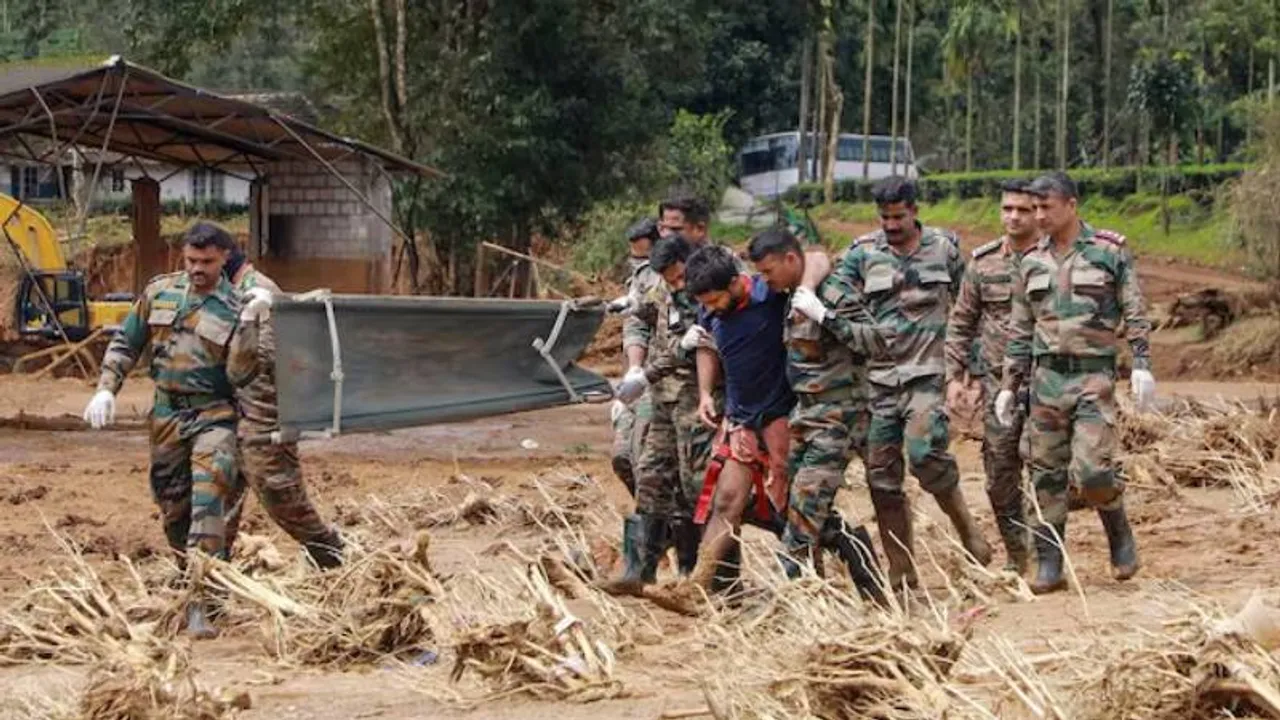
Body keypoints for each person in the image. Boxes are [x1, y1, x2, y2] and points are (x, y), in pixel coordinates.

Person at [81, 222, 252, 638]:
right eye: (191, 260)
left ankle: (201, 602)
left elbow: (255, 374)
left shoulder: (238, 308)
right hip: (166, 417)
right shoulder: (160, 292)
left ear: (225, 258)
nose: (197, 269)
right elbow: (126, 342)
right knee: (173, 508)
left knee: (208, 500)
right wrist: (106, 389)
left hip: (215, 416)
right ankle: (194, 574)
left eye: (206, 261)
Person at [995, 171, 1154, 594]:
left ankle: (1118, 528)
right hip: (1046, 379)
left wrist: (1142, 362)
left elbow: (1135, 309)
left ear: (1071, 205)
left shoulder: (1108, 251)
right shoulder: (1029, 261)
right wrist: (1010, 384)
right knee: (1044, 473)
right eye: (1034, 208)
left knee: (1093, 471)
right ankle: (1050, 563)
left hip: (1092, 377)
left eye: (1046, 207)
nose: (1038, 216)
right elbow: (1020, 327)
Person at [834, 176, 992, 591]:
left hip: (929, 374)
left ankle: (968, 531)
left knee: (925, 454)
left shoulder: (944, 248)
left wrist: (971, 369)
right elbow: (836, 300)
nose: (890, 225)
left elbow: (970, 309)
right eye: (884, 217)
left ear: (915, 211)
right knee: (882, 477)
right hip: (879, 381)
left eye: (898, 217)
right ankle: (901, 567)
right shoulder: (861, 254)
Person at [748, 229, 885, 599]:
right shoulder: (791, 293)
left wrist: (825, 316)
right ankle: (864, 580)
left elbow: (876, 341)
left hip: (839, 417)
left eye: (769, 271)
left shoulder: (832, 292)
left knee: (807, 506)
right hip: (805, 416)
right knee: (791, 504)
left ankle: (789, 593)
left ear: (791, 260)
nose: (765, 280)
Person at [222, 238, 344, 570]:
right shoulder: (229, 292)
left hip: (262, 418)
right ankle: (212, 572)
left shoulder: (259, 291)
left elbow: (267, 361)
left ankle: (331, 554)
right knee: (220, 501)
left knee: (282, 497)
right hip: (234, 416)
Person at [600, 234, 712, 594]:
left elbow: (684, 348)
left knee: (694, 487)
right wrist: (633, 305)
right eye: (669, 279)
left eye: (679, 277)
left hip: (694, 399)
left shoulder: (706, 291)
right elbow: (651, 313)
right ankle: (641, 570)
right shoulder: (664, 288)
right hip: (664, 399)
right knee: (650, 475)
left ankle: (700, 574)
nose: (676, 285)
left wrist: (644, 376)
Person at [944, 180, 1041, 574]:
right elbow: (961, 322)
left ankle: (1047, 557)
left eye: (1023, 209)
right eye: (1007, 209)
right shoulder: (983, 264)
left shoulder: (1054, 259)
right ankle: (1019, 555)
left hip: (1046, 381)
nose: (1013, 217)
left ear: (1038, 212)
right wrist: (954, 376)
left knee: (1046, 470)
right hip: (999, 386)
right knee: (1000, 474)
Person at [607, 217, 663, 493]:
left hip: (668, 378)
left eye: (644, 257)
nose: (639, 264)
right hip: (643, 375)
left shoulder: (685, 275)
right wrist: (634, 368)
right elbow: (635, 327)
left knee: (649, 463)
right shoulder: (641, 278)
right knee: (622, 457)